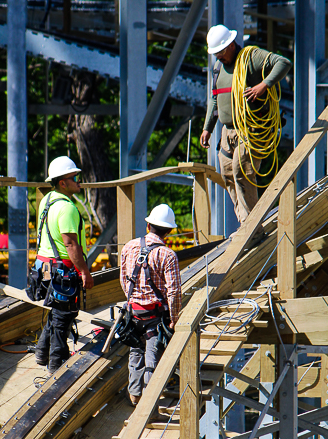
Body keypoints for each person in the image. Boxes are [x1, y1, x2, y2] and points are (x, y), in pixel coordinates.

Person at [200, 23, 292, 231]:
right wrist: (208, 128)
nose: (219, 57)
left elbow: (283, 62)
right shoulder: (218, 68)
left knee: (241, 171)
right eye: (215, 54)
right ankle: (246, 223)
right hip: (227, 131)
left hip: (251, 128)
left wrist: (263, 85)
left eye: (221, 52)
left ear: (231, 45)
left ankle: (253, 228)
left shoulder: (251, 57)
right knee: (226, 173)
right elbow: (215, 100)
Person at [33, 155, 94, 373]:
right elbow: (70, 245)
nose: (79, 180)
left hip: (45, 268)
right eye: (74, 177)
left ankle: (42, 353)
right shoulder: (67, 208)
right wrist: (84, 272)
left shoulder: (47, 200)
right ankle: (56, 366)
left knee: (56, 311)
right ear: (62, 182)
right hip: (63, 270)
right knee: (64, 316)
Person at [119, 204, 182, 406]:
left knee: (136, 351)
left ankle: (135, 395)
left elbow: (123, 280)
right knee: (152, 354)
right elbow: (173, 291)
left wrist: (133, 299)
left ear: (148, 226)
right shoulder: (168, 255)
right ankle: (151, 399)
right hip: (154, 315)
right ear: (169, 231)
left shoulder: (129, 246)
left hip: (133, 312)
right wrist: (174, 318)